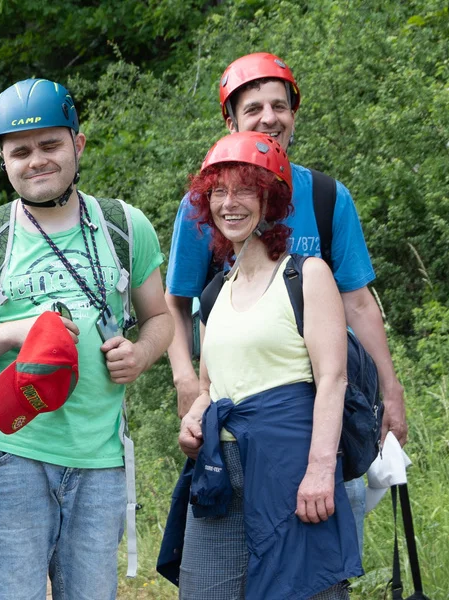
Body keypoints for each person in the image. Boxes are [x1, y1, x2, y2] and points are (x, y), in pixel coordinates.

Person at [0, 78, 172, 599]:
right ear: (2, 159)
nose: (35, 160)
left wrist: (142, 353)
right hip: (10, 455)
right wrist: (18, 332)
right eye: (20, 151)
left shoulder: (125, 226)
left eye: (49, 145)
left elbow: (160, 319)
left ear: (77, 145)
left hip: (101, 457)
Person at [162, 52, 409, 534]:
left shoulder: (324, 195)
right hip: (235, 415)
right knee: (234, 545)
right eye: (253, 107)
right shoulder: (209, 201)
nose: (269, 118)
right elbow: (176, 301)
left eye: (280, 106)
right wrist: (187, 382)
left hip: (328, 406)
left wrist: (390, 389)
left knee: (326, 540)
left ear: (294, 115)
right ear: (231, 119)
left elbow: (357, 301)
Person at [161, 131, 361, 599]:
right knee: (204, 590)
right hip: (220, 470)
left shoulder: (306, 275)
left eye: (244, 189)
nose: (229, 204)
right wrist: (194, 420)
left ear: (270, 200)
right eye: (218, 192)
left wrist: (318, 471)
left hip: (291, 464)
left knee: (303, 590)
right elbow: (209, 385)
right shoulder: (214, 293)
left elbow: (333, 378)